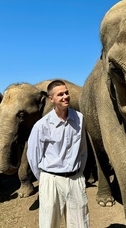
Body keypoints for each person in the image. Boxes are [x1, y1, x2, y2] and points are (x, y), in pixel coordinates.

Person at [27, 79, 89, 228]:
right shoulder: (42, 126)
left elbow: (83, 150)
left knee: (80, 224)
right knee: (49, 224)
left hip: (75, 179)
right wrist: (44, 179)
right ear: (51, 99)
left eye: (66, 93)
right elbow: (33, 156)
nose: (65, 96)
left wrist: (78, 173)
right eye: (60, 94)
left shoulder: (79, 118)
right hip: (51, 180)